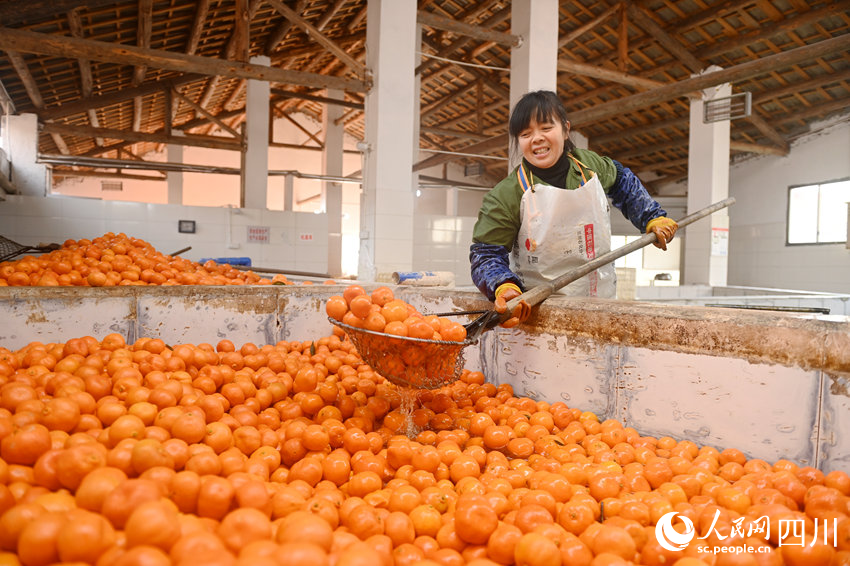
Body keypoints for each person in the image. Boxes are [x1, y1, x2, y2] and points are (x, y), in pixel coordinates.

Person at [470, 90, 678, 327]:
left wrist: (651, 216)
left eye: (546, 128)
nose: (536, 138)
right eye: (526, 134)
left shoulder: (589, 167)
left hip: (601, 305)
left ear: (565, 129)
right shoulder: (506, 194)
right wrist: (503, 285)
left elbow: (623, 181)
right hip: (539, 315)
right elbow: (485, 254)